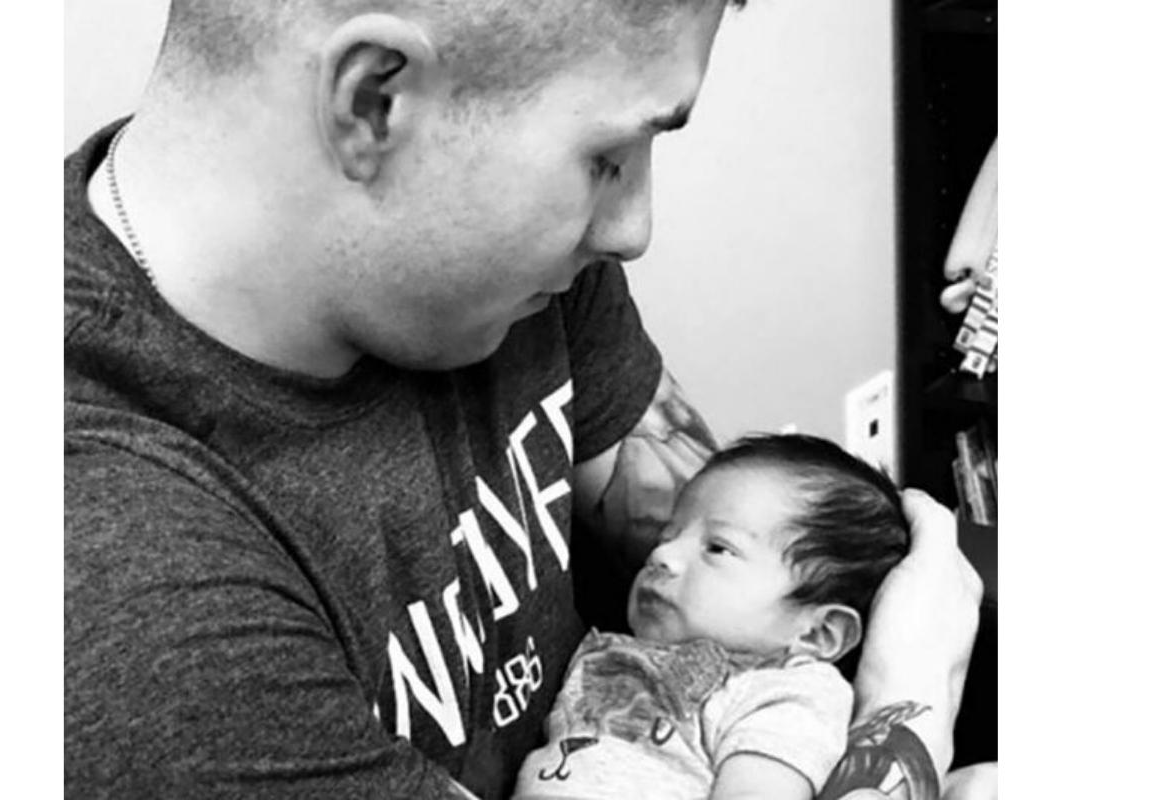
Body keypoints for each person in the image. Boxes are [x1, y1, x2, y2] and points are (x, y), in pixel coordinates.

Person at [64, 1, 983, 798]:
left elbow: (739, 569)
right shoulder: (121, 586)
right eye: (609, 157)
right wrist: (909, 710)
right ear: (376, 100)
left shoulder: (506, 284)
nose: (632, 230)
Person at [514, 434, 909, 799]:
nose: (661, 555)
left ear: (818, 633)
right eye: (667, 537)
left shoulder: (787, 690)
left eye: (718, 548)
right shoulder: (620, 650)